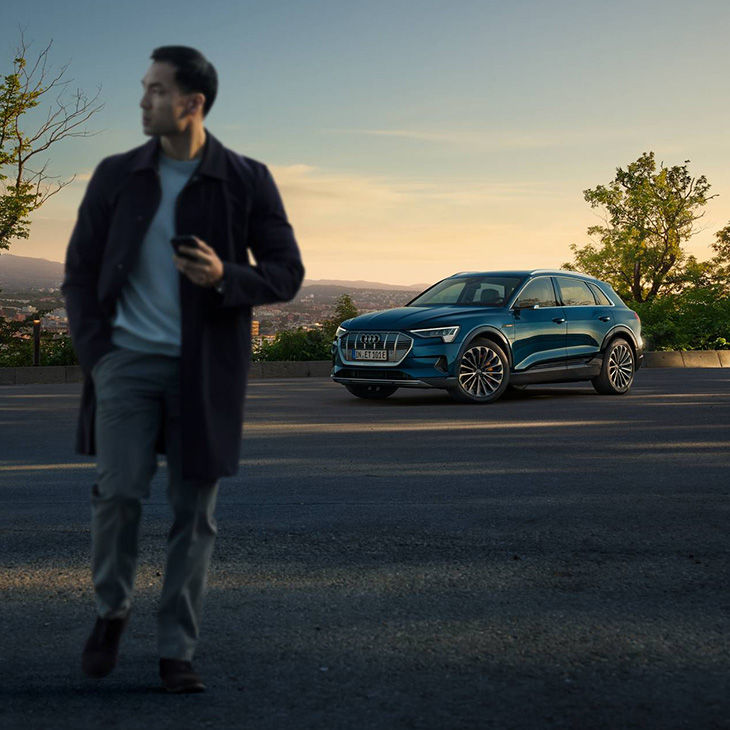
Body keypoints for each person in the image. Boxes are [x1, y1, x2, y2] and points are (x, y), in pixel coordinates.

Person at [62, 46, 304, 693]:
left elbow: (287, 271)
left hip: (205, 371)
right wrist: (99, 356)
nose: (142, 101)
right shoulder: (116, 175)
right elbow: (79, 273)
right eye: (143, 88)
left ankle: (176, 649)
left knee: (194, 514)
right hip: (127, 365)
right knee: (117, 495)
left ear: (191, 104)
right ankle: (112, 610)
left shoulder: (246, 178)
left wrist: (228, 275)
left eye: (154, 91)